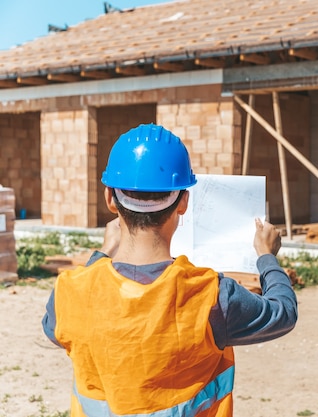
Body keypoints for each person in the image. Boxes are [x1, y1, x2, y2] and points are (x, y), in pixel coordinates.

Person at [41, 123, 298, 417]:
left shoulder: (69, 292)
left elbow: (59, 328)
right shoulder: (210, 296)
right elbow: (283, 312)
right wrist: (266, 256)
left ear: (110, 199)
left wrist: (101, 255)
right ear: (184, 202)